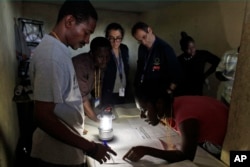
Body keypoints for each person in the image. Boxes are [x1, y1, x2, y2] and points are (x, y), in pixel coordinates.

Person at [29, 1, 116, 166]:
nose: (88, 40)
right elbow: (43, 117)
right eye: (86, 32)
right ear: (69, 22)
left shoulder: (59, 50)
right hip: (56, 156)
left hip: (65, 150)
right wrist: (91, 148)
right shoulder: (51, 55)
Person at [123, 82, 229, 163]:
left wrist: (147, 150)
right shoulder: (172, 104)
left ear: (159, 104)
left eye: (144, 110)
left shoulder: (186, 118)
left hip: (229, 149)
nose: (142, 116)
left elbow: (185, 157)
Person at [131, 21, 181, 96]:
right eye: (140, 41)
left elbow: (177, 73)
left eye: (144, 37)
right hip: (144, 90)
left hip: (160, 93)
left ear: (150, 30)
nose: (144, 42)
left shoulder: (165, 48)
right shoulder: (141, 48)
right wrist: (136, 86)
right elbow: (140, 68)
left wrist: (169, 91)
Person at [72, 37, 112, 122]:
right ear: (92, 54)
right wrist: (96, 119)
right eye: (101, 57)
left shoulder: (100, 65)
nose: (104, 60)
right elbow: (81, 97)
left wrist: (100, 108)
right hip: (66, 107)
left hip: (81, 105)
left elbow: (96, 90)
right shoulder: (80, 65)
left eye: (107, 56)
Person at [175, 31, 220, 96]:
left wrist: (205, 75)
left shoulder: (202, 55)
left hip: (197, 90)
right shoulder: (179, 60)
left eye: (193, 47)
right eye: (188, 49)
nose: (192, 50)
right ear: (182, 49)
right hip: (182, 92)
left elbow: (218, 62)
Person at [101, 22, 130, 107]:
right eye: (111, 38)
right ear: (107, 38)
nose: (115, 41)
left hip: (122, 90)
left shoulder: (124, 49)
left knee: (121, 112)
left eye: (118, 38)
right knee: (108, 114)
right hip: (108, 91)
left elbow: (126, 68)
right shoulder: (103, 51)